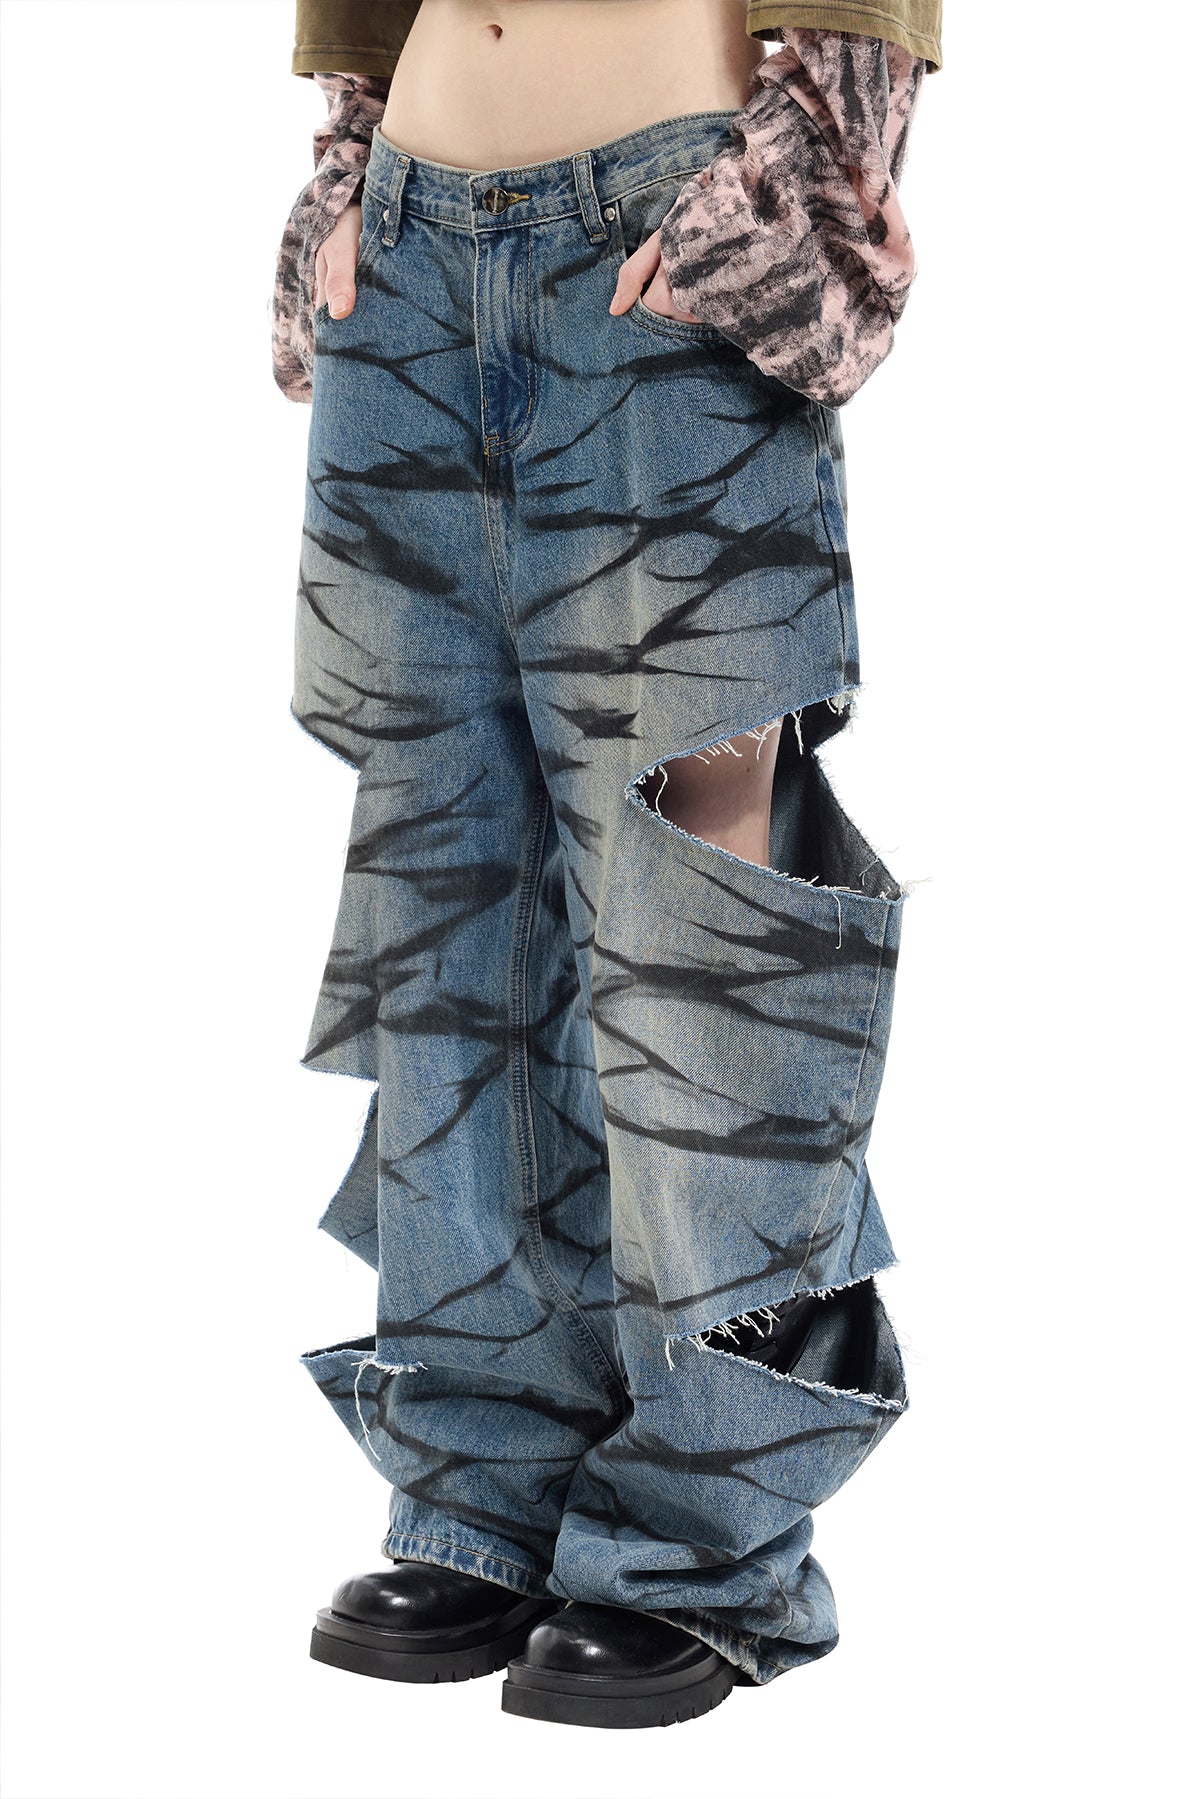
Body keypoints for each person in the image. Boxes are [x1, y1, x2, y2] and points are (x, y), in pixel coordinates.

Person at [272, 0, 941, 1731]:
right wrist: (345, 157)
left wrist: (805, 183)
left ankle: (703, 1541)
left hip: (666, 239)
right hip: (410, 252)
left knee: (707, 924)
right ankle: (483, 1493)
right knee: (451, 904)